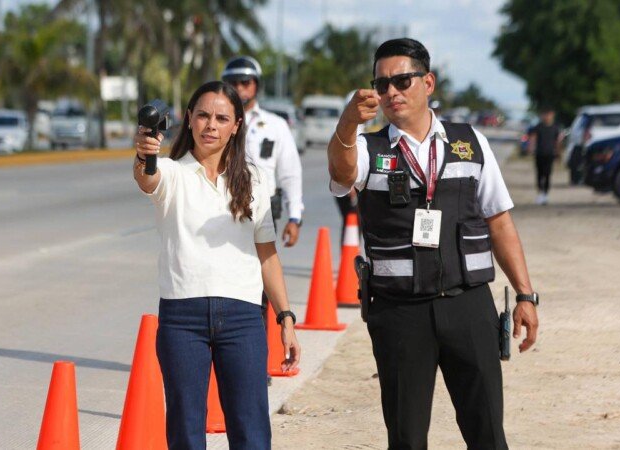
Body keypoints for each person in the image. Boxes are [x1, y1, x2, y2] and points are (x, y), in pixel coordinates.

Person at [328, 38, 539, 449]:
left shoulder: (471, 142)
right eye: (382, 83)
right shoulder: (369, 147)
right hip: (399, 312)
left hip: (468, 305)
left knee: (488, 433)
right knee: (406, 438)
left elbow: (499, 220)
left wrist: (526, 294)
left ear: (428, 82)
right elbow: (340, 174)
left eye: (402, 80)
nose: (391, 91)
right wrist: (346, 124)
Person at [133, 81, 301, 450]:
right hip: (181, 318)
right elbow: (147, 180)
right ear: (189, 118)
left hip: (243, 318)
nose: (211, 125)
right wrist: (145, 152)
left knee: (251, 430)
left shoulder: (254, 179)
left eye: (222, 118)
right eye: (203, 115)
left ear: (236, 125)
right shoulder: (171, 172)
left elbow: (268, 255)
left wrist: (285, 317)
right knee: (185, 431)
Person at [221, 56, 304, 245]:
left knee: (262, 270)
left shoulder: (275, 125)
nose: (239, 87)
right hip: (222, 208)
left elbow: (290, 173)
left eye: (245, 82)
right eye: (233, 82)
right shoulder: (215, 123)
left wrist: (294, 217)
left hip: (263, 211)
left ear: (257, 85)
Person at [529, 108, 563, 204]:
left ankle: (546, 194)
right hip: (539, 153)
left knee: (548, 174)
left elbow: (558, 141)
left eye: (549, 114)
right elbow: (533, 137)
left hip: (550, 154)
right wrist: (531, 148)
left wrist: (558, 153)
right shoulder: (538, 127)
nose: (547, 117)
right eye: (545, 114)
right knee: (539, 174)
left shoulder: (555, 127)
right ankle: (540, 193)